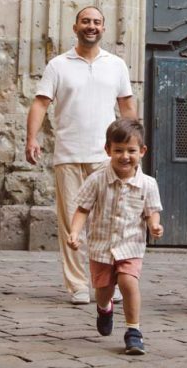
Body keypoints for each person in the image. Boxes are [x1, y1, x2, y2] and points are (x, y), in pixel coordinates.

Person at [26, 6, 137, 304]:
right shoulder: (58, 65)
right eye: (86, 21)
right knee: (71, 224)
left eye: (97, 22)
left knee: (110, 223)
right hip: (68, 155)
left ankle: (108, 281)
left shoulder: (116, 65)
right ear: (75, 27)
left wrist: (134, 145)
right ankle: (77, 285)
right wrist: (31, 138)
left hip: (106, 158)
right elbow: (40, 104)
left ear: (103, 29)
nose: (92, 26)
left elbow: (126, 106)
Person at [67, 118, 163, 355]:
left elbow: (152, 212)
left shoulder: (148, 184)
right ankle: (103, 307)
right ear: (108, 150)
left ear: (141, 152)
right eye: (118, 150)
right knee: (104, 289)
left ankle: (134, 331)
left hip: (131, 246)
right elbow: (82, 208)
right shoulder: (97, 179)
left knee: (128, 282)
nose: (124, 156)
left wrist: (154, 225)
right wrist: (75, 231)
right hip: (101, 246)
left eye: (131, 151)